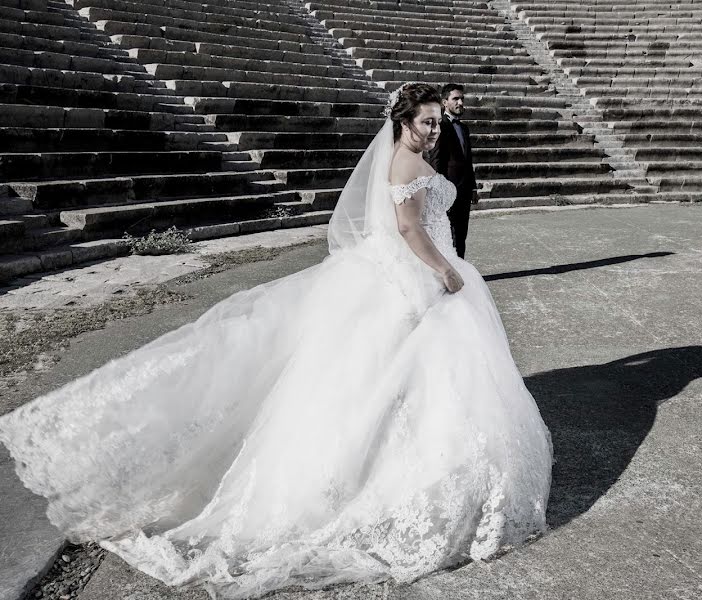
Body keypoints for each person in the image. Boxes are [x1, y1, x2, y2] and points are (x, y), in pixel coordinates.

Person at [0, 83, 552, 600]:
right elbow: (409, 229)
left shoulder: (407, 155)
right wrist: (448, 273)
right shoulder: (408, 162)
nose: (434, 131)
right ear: (403, 122)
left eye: (437, 122)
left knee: (384, 380)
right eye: (426, 122)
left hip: (398, 270)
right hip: (416, 273)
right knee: (403, 378)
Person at [427, 83, 477, 259]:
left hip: (464, 189)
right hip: (447, 189)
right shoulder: (440, 125)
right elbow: (436, 160)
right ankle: (449, 270)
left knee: (461, 234)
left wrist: (473, 188)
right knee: (448, 234)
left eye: (462, 98)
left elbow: (468, 160)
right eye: (455, 98)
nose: (460, 102)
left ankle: (461, 269)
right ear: (444, 102)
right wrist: (439, 188)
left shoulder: (464, 128)